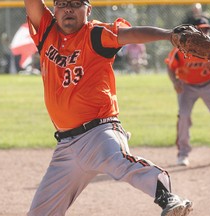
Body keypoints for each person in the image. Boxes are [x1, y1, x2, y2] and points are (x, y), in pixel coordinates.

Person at [24, 0, 193, 215]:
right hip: (66, 147)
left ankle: (168, 198)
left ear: (89, 9)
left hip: (99, 132)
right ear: (55, 9)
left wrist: (168, 34)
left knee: (119, 161)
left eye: (76, 4)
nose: (68, 9)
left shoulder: (95, 34)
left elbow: (131, 34)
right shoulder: (47, 32)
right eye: (63, 3)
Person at [165, 16, 210, 166]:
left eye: (206, 29)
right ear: (193, 32)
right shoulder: (181, 47)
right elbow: (170, 66)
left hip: (209, 83)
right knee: (184, 116)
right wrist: (175, 81)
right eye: (201, 30)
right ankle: (183, 154)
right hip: (187, 85)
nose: (204, 32)